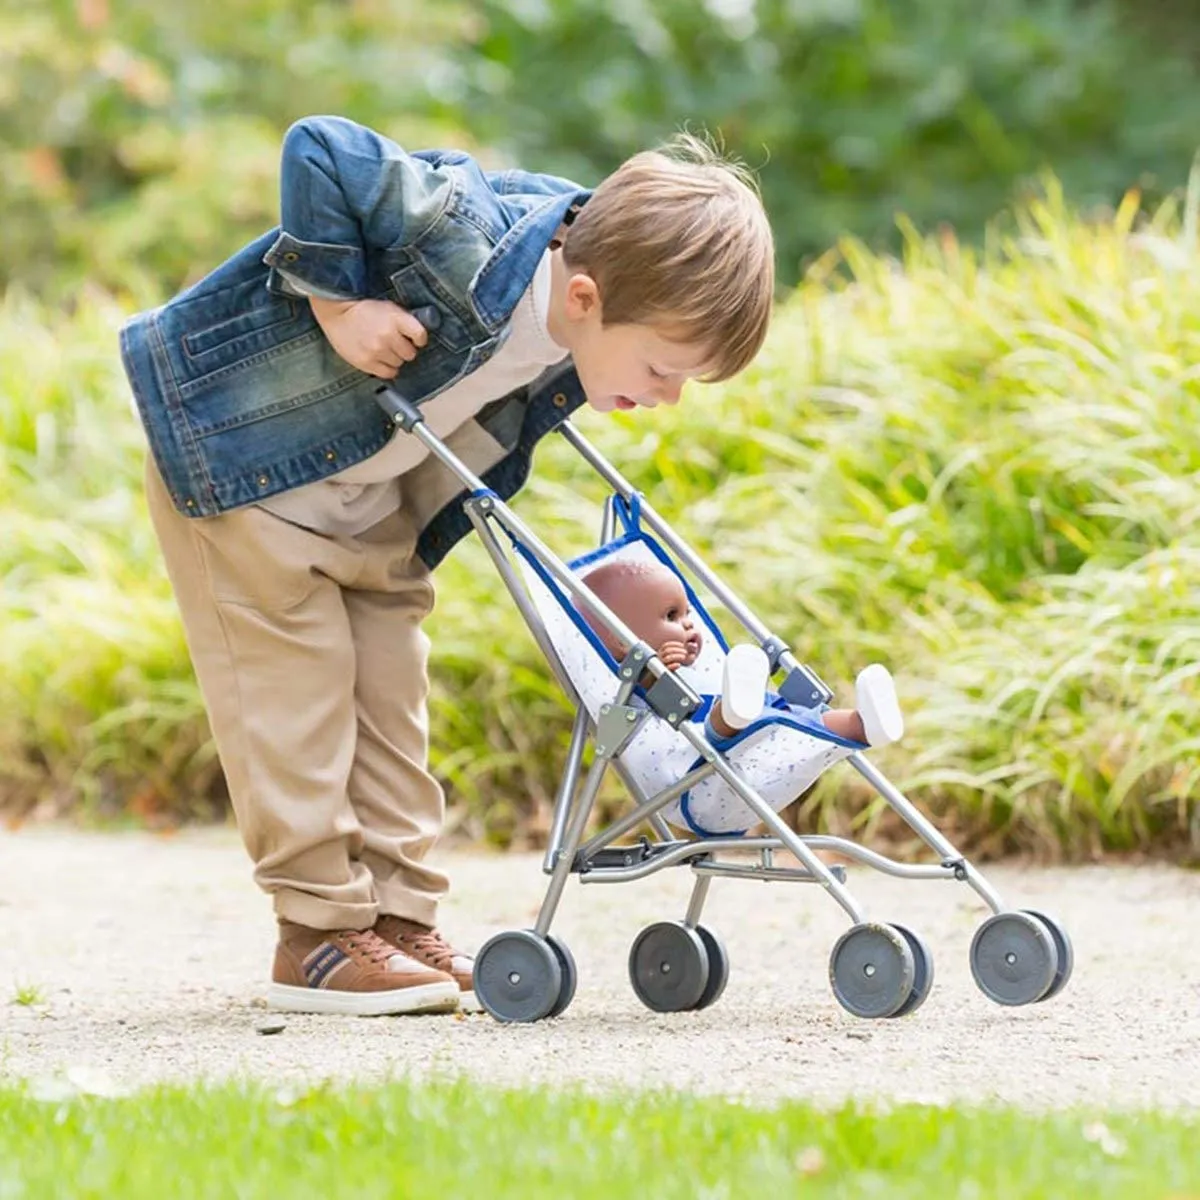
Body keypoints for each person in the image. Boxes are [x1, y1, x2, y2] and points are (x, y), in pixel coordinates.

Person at [119, 115, 776, 1016]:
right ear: (583, 297)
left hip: (369, 507)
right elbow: (322, 146)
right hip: (246, 475)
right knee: (294, 703)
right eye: (663, 370)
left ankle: (397, 920)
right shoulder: (462, 231)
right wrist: (341, 306)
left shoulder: (592, 290)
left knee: (393, 704)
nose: (663, 399)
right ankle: (315, 933)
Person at [577, 559, 903, 748]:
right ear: (623, 643)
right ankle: (733, 714)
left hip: (762, 719)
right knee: (726, 716)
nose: (690, 625)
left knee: (803, 716)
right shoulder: (628, 687)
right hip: (708, 742)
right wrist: (652, 673)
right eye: (672, 616)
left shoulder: (701, 668)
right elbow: (638, 716)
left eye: (688, 613)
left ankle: (864, 724)